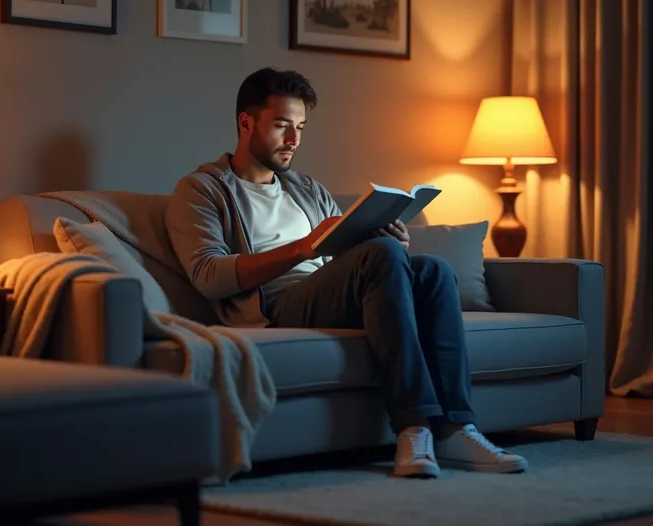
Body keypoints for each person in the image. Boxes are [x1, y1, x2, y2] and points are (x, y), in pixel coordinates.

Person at [165, 67, 529, 479]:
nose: (293, 140)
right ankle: (413, 427)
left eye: (300, 127)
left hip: (332, 291)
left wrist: (393, 243)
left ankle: (457, 427)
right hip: (274, 306)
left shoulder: (307, 188)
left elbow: (353, 258)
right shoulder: (202, 190)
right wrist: (302, 248)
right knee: (381, 257)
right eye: (282, 125)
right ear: (246, 122)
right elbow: (209, 274)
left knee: (432, 271)